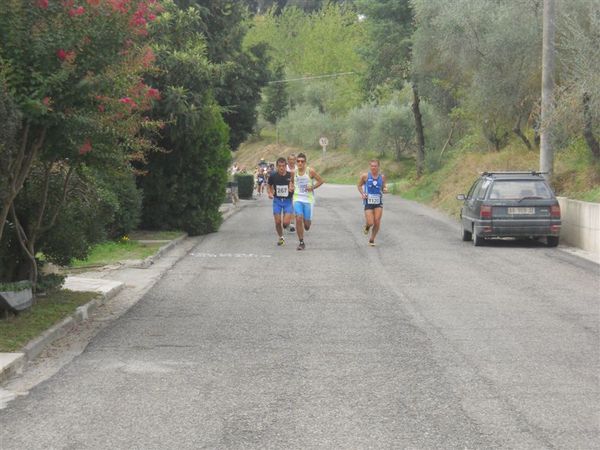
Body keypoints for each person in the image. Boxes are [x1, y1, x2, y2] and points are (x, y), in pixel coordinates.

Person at [293, 153, 324, 250]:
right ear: (296, 162)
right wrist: (290, 187)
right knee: (298, 218)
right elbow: (291, 182)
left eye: (302, 161)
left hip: (308, 200)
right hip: (297, 198)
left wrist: (312, 187)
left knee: (307, 226)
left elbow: (321, 181)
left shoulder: (310, 171)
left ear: (305, 162)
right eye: (298, 161)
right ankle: (301, 242)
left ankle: (305, 221)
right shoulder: (294, 172)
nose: (300, 163)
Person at [357, 159, 388, 246]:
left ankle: (372, 239)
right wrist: (363, 193)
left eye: (375, 166)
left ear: (378, 167)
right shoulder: (365, 176)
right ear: (370, 167)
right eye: (372, 166)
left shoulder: (382, 177)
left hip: (378, 202)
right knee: (371, 222)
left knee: (377, 221)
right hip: (368, 202)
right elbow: (359, 186)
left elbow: (383, 187)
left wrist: (385, 189)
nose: (373, 167)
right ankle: (367, 226)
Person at [268, 157, 295, 246]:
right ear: (277, 166)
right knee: (277, 222)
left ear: (285, 166)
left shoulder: (290, 175)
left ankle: (286, 226)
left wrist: (292, 188)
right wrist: (270, 193)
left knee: (285, 223)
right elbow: (269, 185)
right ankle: (281, 237)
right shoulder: (273, 176)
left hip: (287, 201)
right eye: (279, 166)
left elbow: (295, 185)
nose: (281, 168)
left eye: (283, 166)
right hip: (277, 201)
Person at [285, 153, 297, 233]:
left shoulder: (297, 168)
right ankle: (287, 222)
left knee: (292, 205)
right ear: (287, 160)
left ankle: (292, 223)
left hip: (295, 189)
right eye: (290, 159)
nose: (291, 161)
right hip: (285, 189)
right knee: (286, 207)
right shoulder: (284, 168)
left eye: (293, 159)